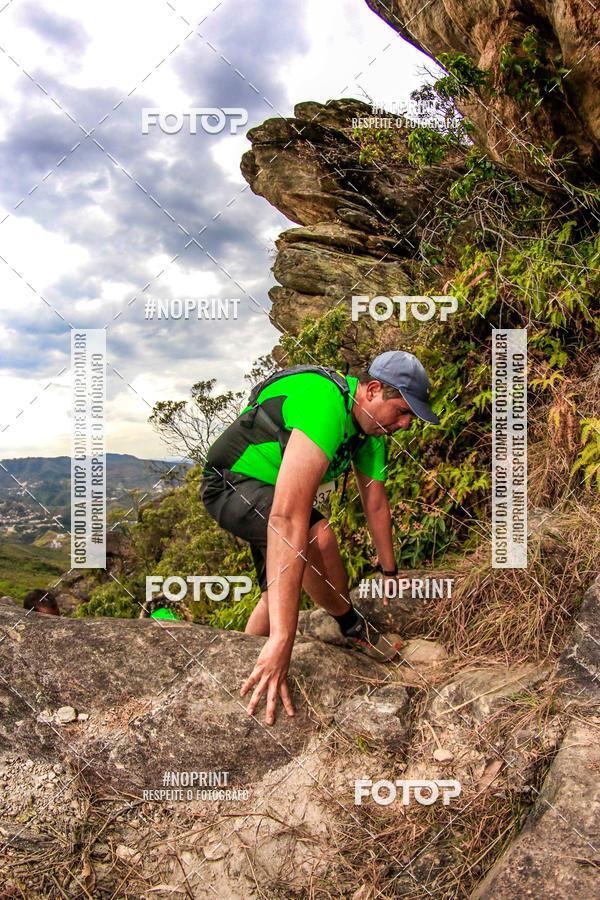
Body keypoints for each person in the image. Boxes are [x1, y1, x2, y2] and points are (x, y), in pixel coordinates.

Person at [200, 350, 439, 725]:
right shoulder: (325, 405)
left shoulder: (370, 432)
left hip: (272, 489)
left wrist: (390, 573)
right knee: (317, 536)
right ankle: (349, 624)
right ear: (373, 390)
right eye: (403, 411)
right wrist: (284, 641)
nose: (407, 424)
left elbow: (375, 504)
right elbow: (286, 516)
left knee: (274, 591)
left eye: (411, 416)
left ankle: (241, 669)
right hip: (231, 483)